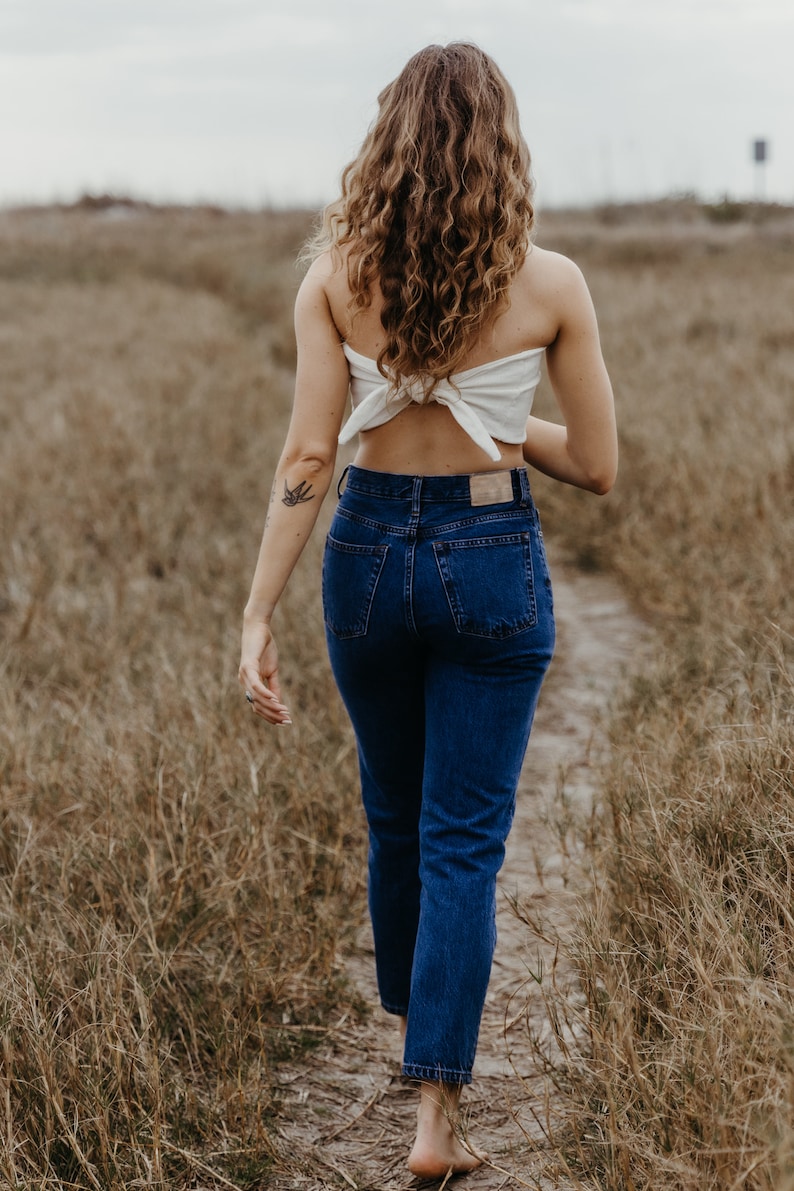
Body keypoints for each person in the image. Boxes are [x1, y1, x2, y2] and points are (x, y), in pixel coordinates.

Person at [239, 42, 617, 1179]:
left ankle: (413, 1030)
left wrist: (257, 610)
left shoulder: (332, 280)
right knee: (463, 847)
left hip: (360, 549)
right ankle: (435, 1122)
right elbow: (596, 465)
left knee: (393, 823)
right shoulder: (550, 286)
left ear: (387, 143)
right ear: (500, 150)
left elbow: (311, 451)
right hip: (489, 549)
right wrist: (495, 424)